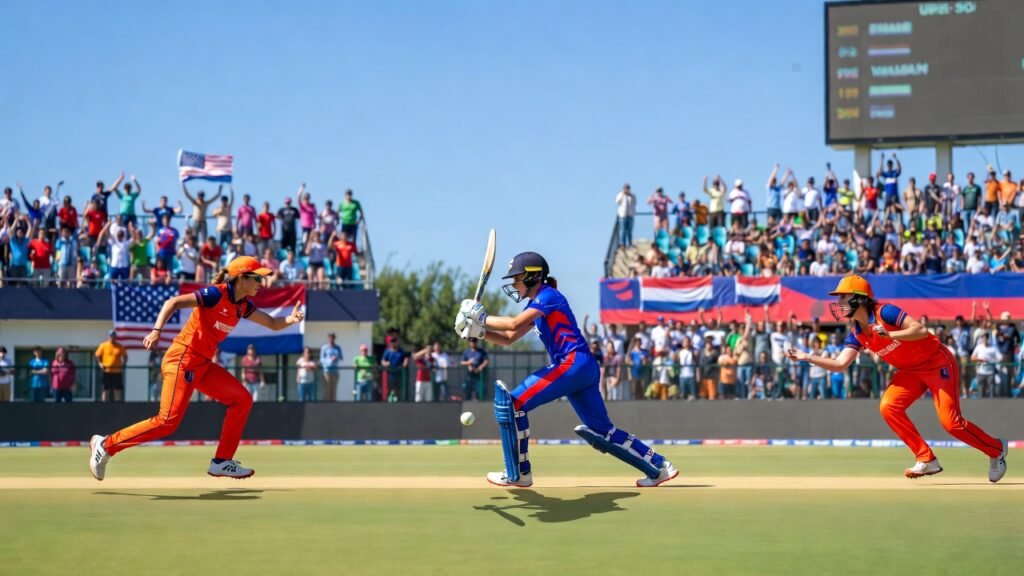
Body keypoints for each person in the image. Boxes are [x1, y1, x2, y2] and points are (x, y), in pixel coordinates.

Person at [455, 251, 677, 488]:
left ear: (533, 276)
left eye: (517, 278)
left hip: (571, 364)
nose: (514, 283)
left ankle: (518, 474)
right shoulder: (537, 304)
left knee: (514, 403)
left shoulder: (548, 295)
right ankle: (659, 467)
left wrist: (479, 316)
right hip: (583, 368)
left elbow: (512, 323)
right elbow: (510, 336)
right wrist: (477, 331)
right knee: (603, 430)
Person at [88, 255, 304, 481]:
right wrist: (156, 331)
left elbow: (271, 323)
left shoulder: (243, 305)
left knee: (242, 399)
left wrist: (290, 319)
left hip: (202, 364)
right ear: (241, 279)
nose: (261, 284)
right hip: (181, 359)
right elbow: (171, 303)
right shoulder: (215, 294)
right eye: (257, 279)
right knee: (167, 421)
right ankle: (106, 445)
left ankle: (221, 461)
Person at [786, 274, 1007, 482]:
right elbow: (840, 364)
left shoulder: (886, 312)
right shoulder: (856, 333)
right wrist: (807, 357)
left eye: (843, 297)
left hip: (936, 362)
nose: (839, 302)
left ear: (859, 299)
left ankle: (996, 449)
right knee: (888, 406)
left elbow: (920, 330)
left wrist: (891, 334)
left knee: (951, 424)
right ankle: (926, 459)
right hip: (910, 372)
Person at [95, 330, 127, 402]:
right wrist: (100, 364)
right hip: (106, 371)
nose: (112, 338)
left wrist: (123, 364)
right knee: (105, 388)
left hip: (117, 371)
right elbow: (97, 355)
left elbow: (125, 356)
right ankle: (105, 405)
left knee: (117, 389)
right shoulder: (103, 345)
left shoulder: (119, 346)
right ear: (109, 337)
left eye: (113, 336)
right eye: (111, 336)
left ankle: (117, 404)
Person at [319, 332, 343, 402]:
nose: (331, 340)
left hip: (335, 372)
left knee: (334, 389)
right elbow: (321, 359)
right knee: (327, 389)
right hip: (327, 371)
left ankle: (333, 405)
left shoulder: (338, 348)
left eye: (332, 338)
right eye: (330, 338)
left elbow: (341, 357)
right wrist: (328, 361)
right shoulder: (324, 348)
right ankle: (326, 405)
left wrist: (336, 357)